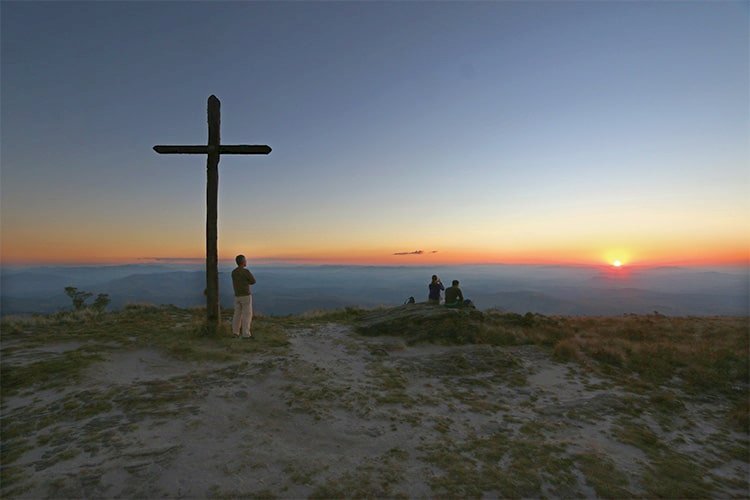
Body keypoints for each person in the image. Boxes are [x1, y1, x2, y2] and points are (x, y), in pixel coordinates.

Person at [231, 254, 256, 339]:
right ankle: (246, 334)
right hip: (246, 295)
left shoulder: (234, 272)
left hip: (237, 295)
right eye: (245, 260)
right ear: (243, 262)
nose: (246, 261)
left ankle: (235, 332)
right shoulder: (246, 272)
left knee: (237, 314)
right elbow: (253, 281)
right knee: (247, 315)